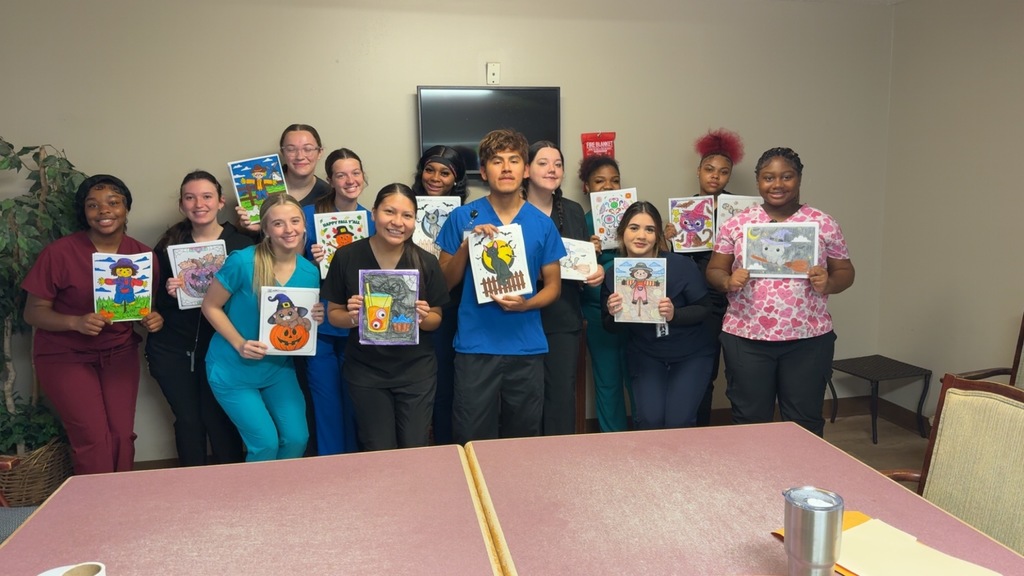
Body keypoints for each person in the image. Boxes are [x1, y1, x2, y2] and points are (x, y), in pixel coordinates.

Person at [707, 147, 855, 437]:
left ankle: (800, 479)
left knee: (805, 421)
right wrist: (728, 281)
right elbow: (714, 270)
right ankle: (753, 480)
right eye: (768, 177)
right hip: (746, 337)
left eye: (786, 176)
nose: (777, 184)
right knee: (749, 419)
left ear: (799, 179)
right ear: (758, 181)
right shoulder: (738, 223)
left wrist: (829, 283)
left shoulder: (822, 223)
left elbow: (846, 272)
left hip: (807, 339)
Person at [22, 174, 164, 474]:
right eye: (93, 205)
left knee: (121, 436)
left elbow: (139, 309)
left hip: (118, 354)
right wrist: (75, 321)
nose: (104, 211)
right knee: (93, 440)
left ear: (126, 208)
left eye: (113, 203)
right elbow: (33, 312)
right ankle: (95, 512)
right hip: (65, 356)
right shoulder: (59, 253)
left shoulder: (143, 255)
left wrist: (151, 318)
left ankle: (120, 502)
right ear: (84, 212)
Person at [436, 129, 566, 443]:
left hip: (526, 346)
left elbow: (553, 287)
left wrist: (526, 303)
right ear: (484, 171)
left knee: (522, 437)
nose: (506, 168)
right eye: (496, 161)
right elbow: (443, 283)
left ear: (525, 170)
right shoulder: (462, 217)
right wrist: (468, 246)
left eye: (513, 161)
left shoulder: (542, 223)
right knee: (471, 435)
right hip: (475, 345)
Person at [323, 184, 449, 450]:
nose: (397, 222)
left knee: (415, 446)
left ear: (415, 220)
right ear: (373, 213)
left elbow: (437, 318)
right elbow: (333, 314)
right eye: (389, 212)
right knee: (379, 449)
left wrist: (423, 317)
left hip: (417, 372)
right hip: (366, 373)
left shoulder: (425, 261)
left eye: (407, 215)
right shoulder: (347, 256)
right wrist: (352, 318)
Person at [202, 193, 323, 461]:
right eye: (278, 223)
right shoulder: (243, 262)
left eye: (295, 221)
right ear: (266, 229)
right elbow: (210, 306)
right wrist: (239, 343)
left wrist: (316, 315)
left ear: (304, 225)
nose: (289, 229)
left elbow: (297, 321)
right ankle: (254, 502)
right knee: (265, 445)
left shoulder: (310, 272)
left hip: (277, 369)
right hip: (232, 369)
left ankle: (280, 498)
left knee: (297, 438)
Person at [145, 171, 252, 467]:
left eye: (207, 196)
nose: (199, 204)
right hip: (174, 349)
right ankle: (190, 488)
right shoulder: (168, 247)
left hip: (224, 348)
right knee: (189, 421)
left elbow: (254, 298)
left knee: (221, 419)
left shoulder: (242, 245)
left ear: (221, 202)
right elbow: (150, 305)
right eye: (190, 197)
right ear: (181, 205)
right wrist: (168, 291)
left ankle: (231, 486)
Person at [600, 202, 716, 429]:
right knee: (650, 421)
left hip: (690, 353)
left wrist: (675, 314)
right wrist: (614, 313)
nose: (641, 236)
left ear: (657, 235)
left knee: (678, 422)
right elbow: (608, 325)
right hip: (647, 354)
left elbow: (705, 308)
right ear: (622, 232)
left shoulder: (681, 266)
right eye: (634, 228)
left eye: (649, 229)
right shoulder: (615, 273)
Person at [665, 129, 746, 426]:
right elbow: (675, 264)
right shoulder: (684, 211)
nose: (716, 177)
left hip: (738, 298)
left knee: (741, 370)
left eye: (724, 172)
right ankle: (699, 430)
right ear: (698, 171)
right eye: (710, 170)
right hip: (701, 300)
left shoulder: (741, 212)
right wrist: (669, 239)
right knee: (703, 371)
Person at [524, 141, 604, 435]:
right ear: (526, 169)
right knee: (524, 396)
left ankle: (559, 460)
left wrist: (594, 272)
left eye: (557, 164)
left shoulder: (572, 212)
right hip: (519, 316)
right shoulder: (511, 210)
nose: (552, 169)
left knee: (560, 394)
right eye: (543, 163)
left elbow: (582, 265)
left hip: (563, 316)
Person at [301, 148, 374, 455]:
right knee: (326, 403)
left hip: (359, 325)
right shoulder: (307, 216)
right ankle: (330, 467)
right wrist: (308, 257)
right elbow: (281, 264)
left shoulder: (373, 220)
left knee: (357, 401)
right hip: (320, 325)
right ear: (330, 180)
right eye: (341, 175)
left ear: (364, 176)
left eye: (355, 172)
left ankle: (355, 469)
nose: (349, 180)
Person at [411, 145, 467, 444]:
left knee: (446, 380)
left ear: (455, 179)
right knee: (415, 383)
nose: (435, 178)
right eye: (430, 170)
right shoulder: (403, 209)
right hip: (409, 303)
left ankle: (446, 444)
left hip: (450, 306)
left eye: (444, 173)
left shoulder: (467, 214)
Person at [578, 155, 634, 432]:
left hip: (636, 308)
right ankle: (613, 438)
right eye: (600, 181)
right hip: (598, 312)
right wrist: (590, 252)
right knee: (607, 379)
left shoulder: (637, 220)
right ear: (587, 186)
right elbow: (574, 270)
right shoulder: (581, 222)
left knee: (639, 375)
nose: (608, 187)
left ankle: (649, 436)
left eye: (615, 180)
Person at [235, 124, 331, 228]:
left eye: (307, 149)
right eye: (291, 149)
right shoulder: (261, 187)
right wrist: (248, 228)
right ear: (282, 152)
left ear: (320, 152)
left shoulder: (328, 194)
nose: (300, 156)